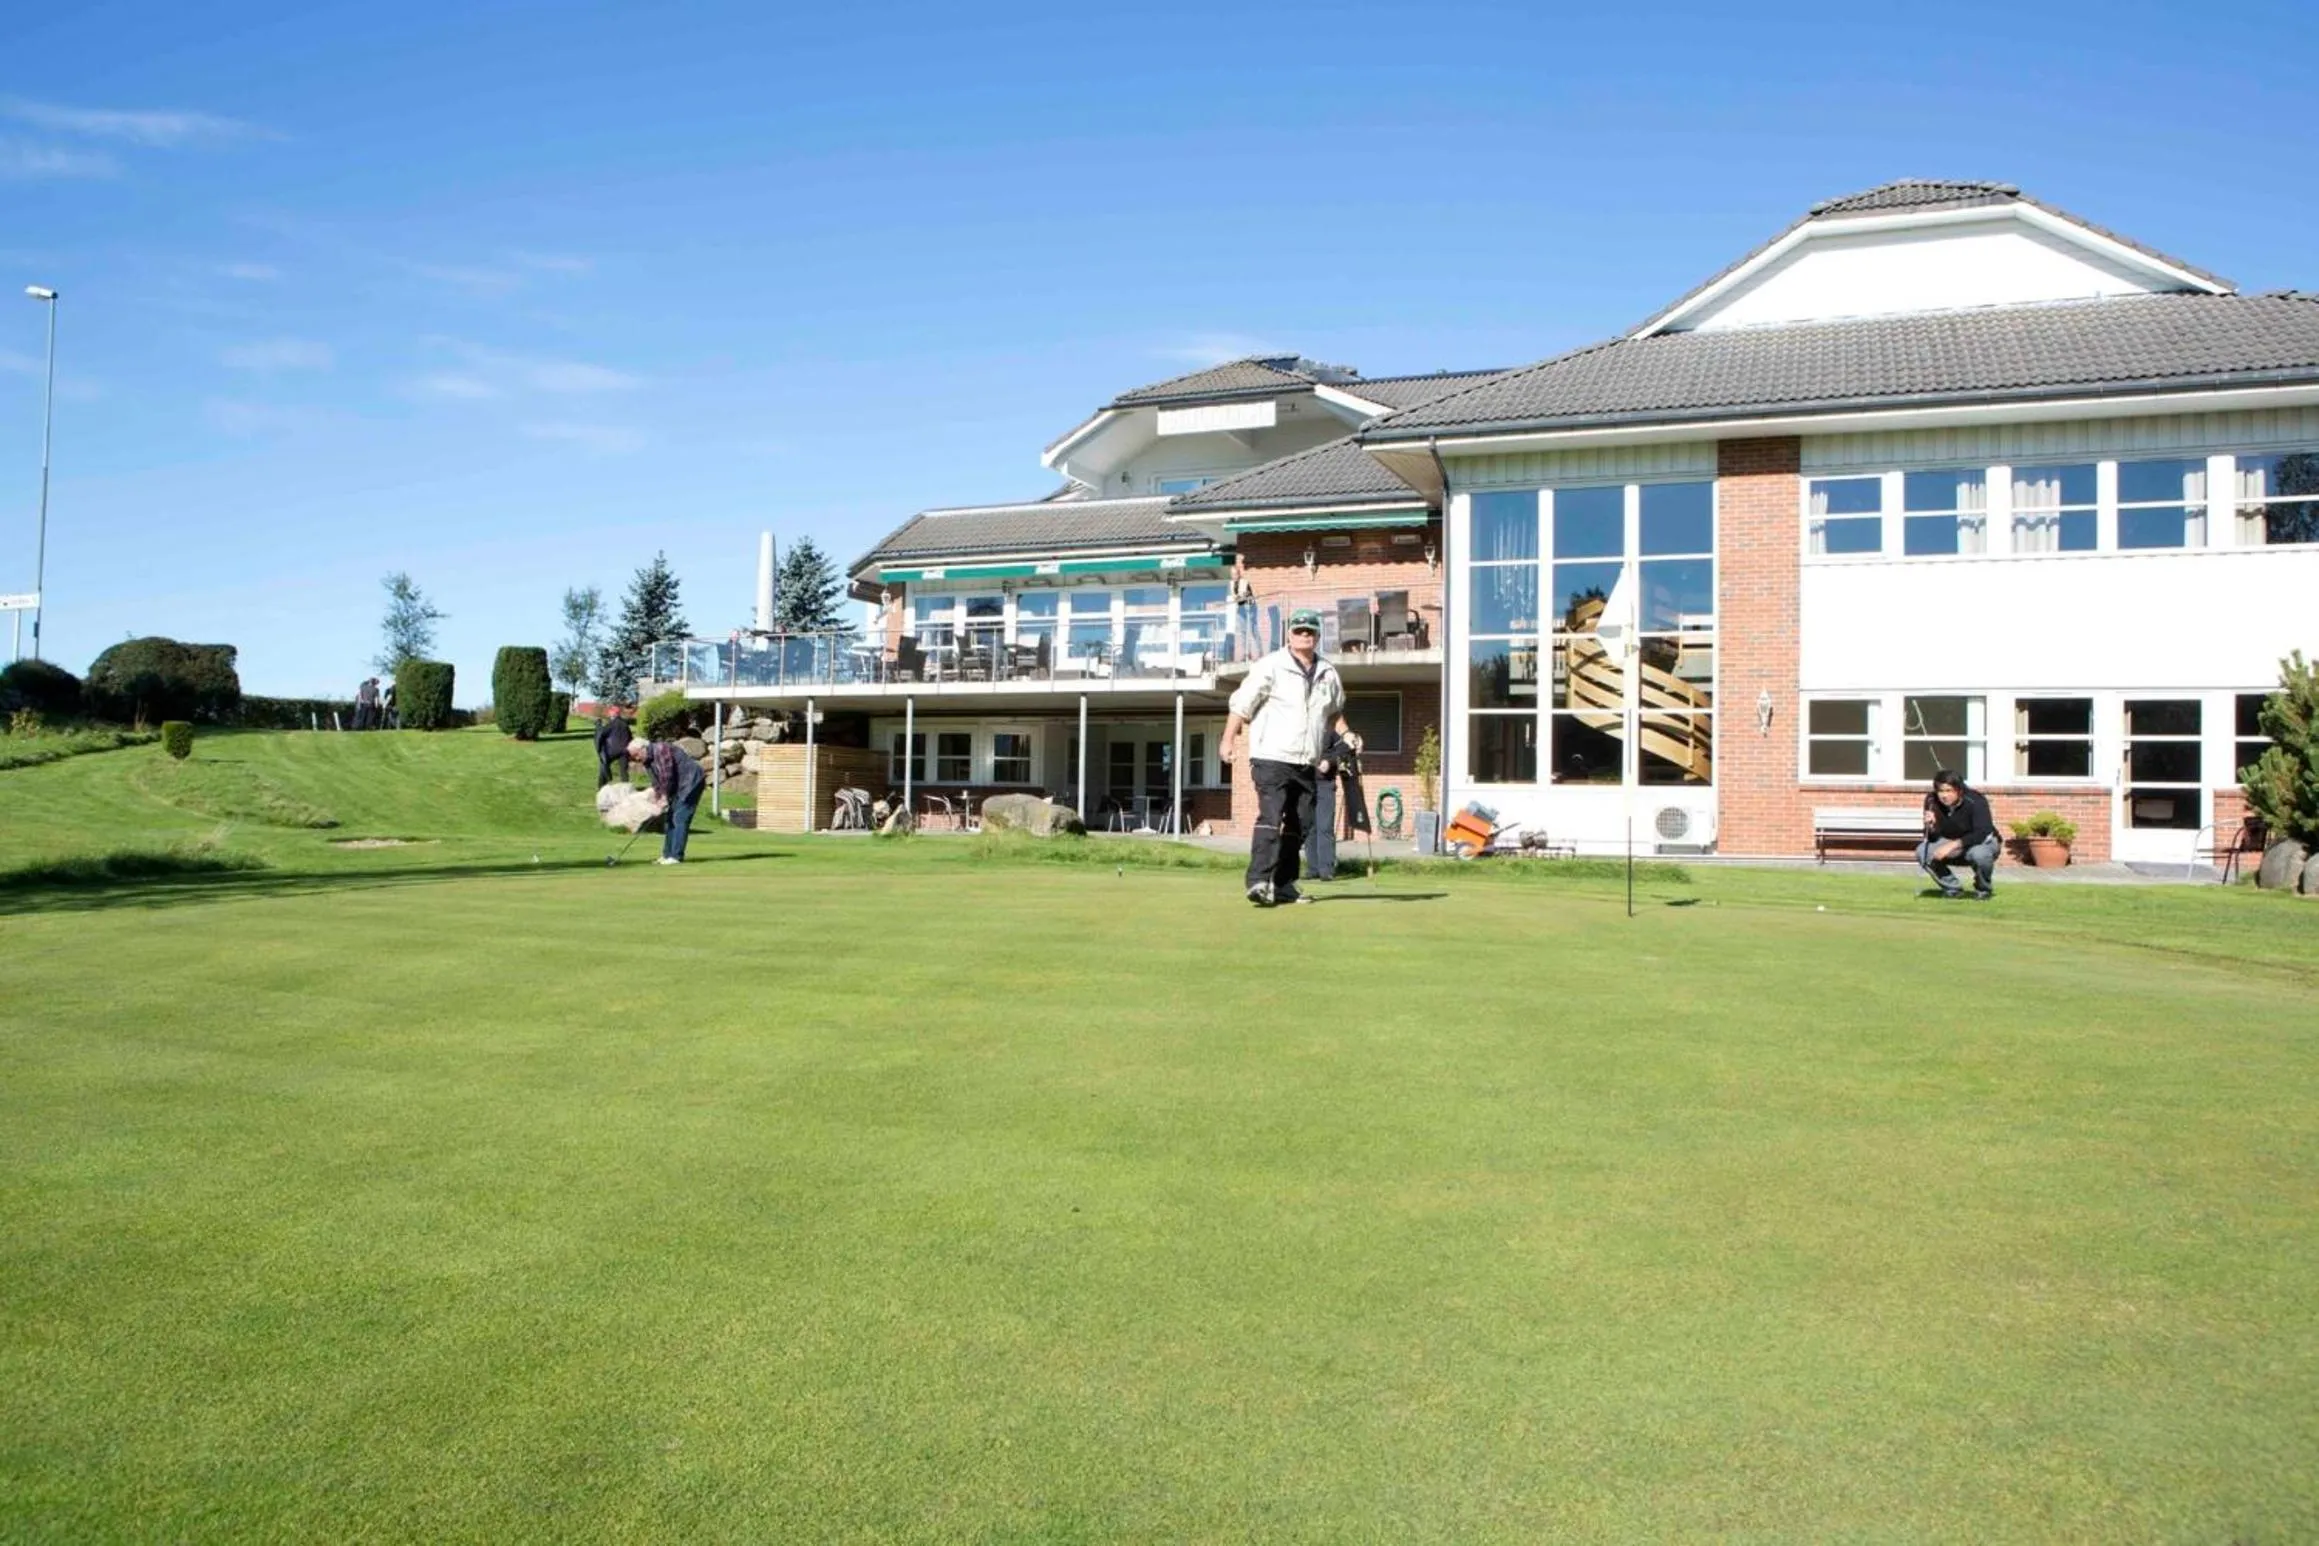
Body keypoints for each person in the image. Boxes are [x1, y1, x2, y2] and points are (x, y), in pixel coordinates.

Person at [1222, 606, 1358, 907]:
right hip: (1271, 756)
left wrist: (1347, 734)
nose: (1304, 635)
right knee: (1272, 816)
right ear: (1289, 634)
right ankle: (1258, 881)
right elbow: (1242, 704)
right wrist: (1227, 739)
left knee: (1301, 823)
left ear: (1318, 635)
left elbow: (1333, 711)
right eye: (1299, 630)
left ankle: (1284, 884)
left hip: (1306, 760)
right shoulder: (1270, 665)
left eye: (1310, 630)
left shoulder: (1328, 673)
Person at [1303, 725, 1372, 882]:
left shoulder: (1332, 728)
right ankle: (1313, 869)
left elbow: (1345, 748)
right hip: (1305, 783)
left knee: (1325, 826)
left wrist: (1330, 761)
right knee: (1309, 826)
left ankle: (1326, 869)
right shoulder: (1305, 725)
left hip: (1325, 783)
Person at [1919, 769, 1999, 899]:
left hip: (1980, 843)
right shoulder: (1931, 800)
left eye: (1948, 791)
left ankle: (1983, 889)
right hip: (1950, 841)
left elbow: (1982, 833)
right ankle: (1952, 888)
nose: (1944, 795)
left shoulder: (1976, 801)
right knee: (1923, 851)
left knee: (1980, 855)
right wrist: (1931, 826)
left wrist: (1953, 845)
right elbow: (1931, 837)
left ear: (1959, 790)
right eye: (1940, 791)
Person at [627, 733, 706, 865]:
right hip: (678, 785)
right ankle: (667, 855)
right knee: (669, 819)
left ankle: (676, 856)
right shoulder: (647, 761)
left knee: (680, 817)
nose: (636, 759)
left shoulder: (661, 749)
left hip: (691, 782)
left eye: (636, 755)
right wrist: (658, 799)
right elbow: (656, 782)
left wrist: (664, 797)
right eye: (633, 757)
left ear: (643, 748)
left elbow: (666, 775)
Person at [594, 709, 633, 788]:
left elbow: (602, 733)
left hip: (612, 750)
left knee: (604, 764)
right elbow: (630, 737)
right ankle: (626, 788)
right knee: (624, 771)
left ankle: (601, 786)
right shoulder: (625, 724)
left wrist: (598, 725)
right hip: (625, 750)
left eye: (610, 713)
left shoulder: (612, 724)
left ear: (613, 714)